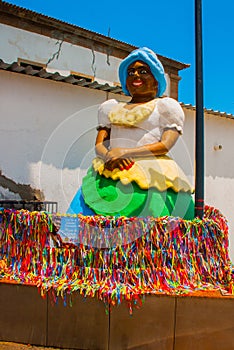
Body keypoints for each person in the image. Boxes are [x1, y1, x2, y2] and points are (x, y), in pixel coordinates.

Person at [68, 47, 194, 219]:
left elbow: (165, 145)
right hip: (110, 168)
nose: (136, 75)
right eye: (130, 71)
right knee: (85, 214)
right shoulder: (110, 108)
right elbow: (100, 144)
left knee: (154, 221)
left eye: (143, 71)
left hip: (153, 172)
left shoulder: (166, 107)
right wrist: (108, 156)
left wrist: (126, 153)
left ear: (156, 81)